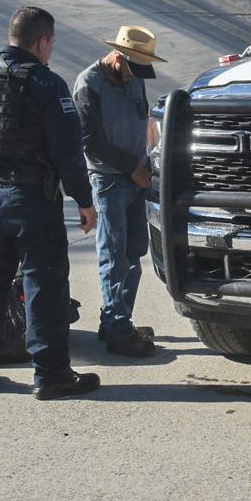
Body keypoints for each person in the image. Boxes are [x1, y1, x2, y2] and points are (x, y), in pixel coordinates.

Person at [0, 5, 101, 400]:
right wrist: (84, 200)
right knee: (43, 285)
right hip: (31, 199)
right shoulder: (47, 84)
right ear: (41, 41)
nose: (51, 50)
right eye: (52, 43)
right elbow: (67, 152)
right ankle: (51, 376)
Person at [73, 25, 166, 358]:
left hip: (137, 179)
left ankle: (116, 318)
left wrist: (148, 165)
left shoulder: (134, 78)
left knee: (134, 255)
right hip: (109, 180)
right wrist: (131, 167)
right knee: (114, 257)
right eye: (132, 68)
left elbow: (144, 124)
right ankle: (117, 328)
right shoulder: (89, 83)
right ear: (117, 57)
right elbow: (89, 141)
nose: (134, 76)